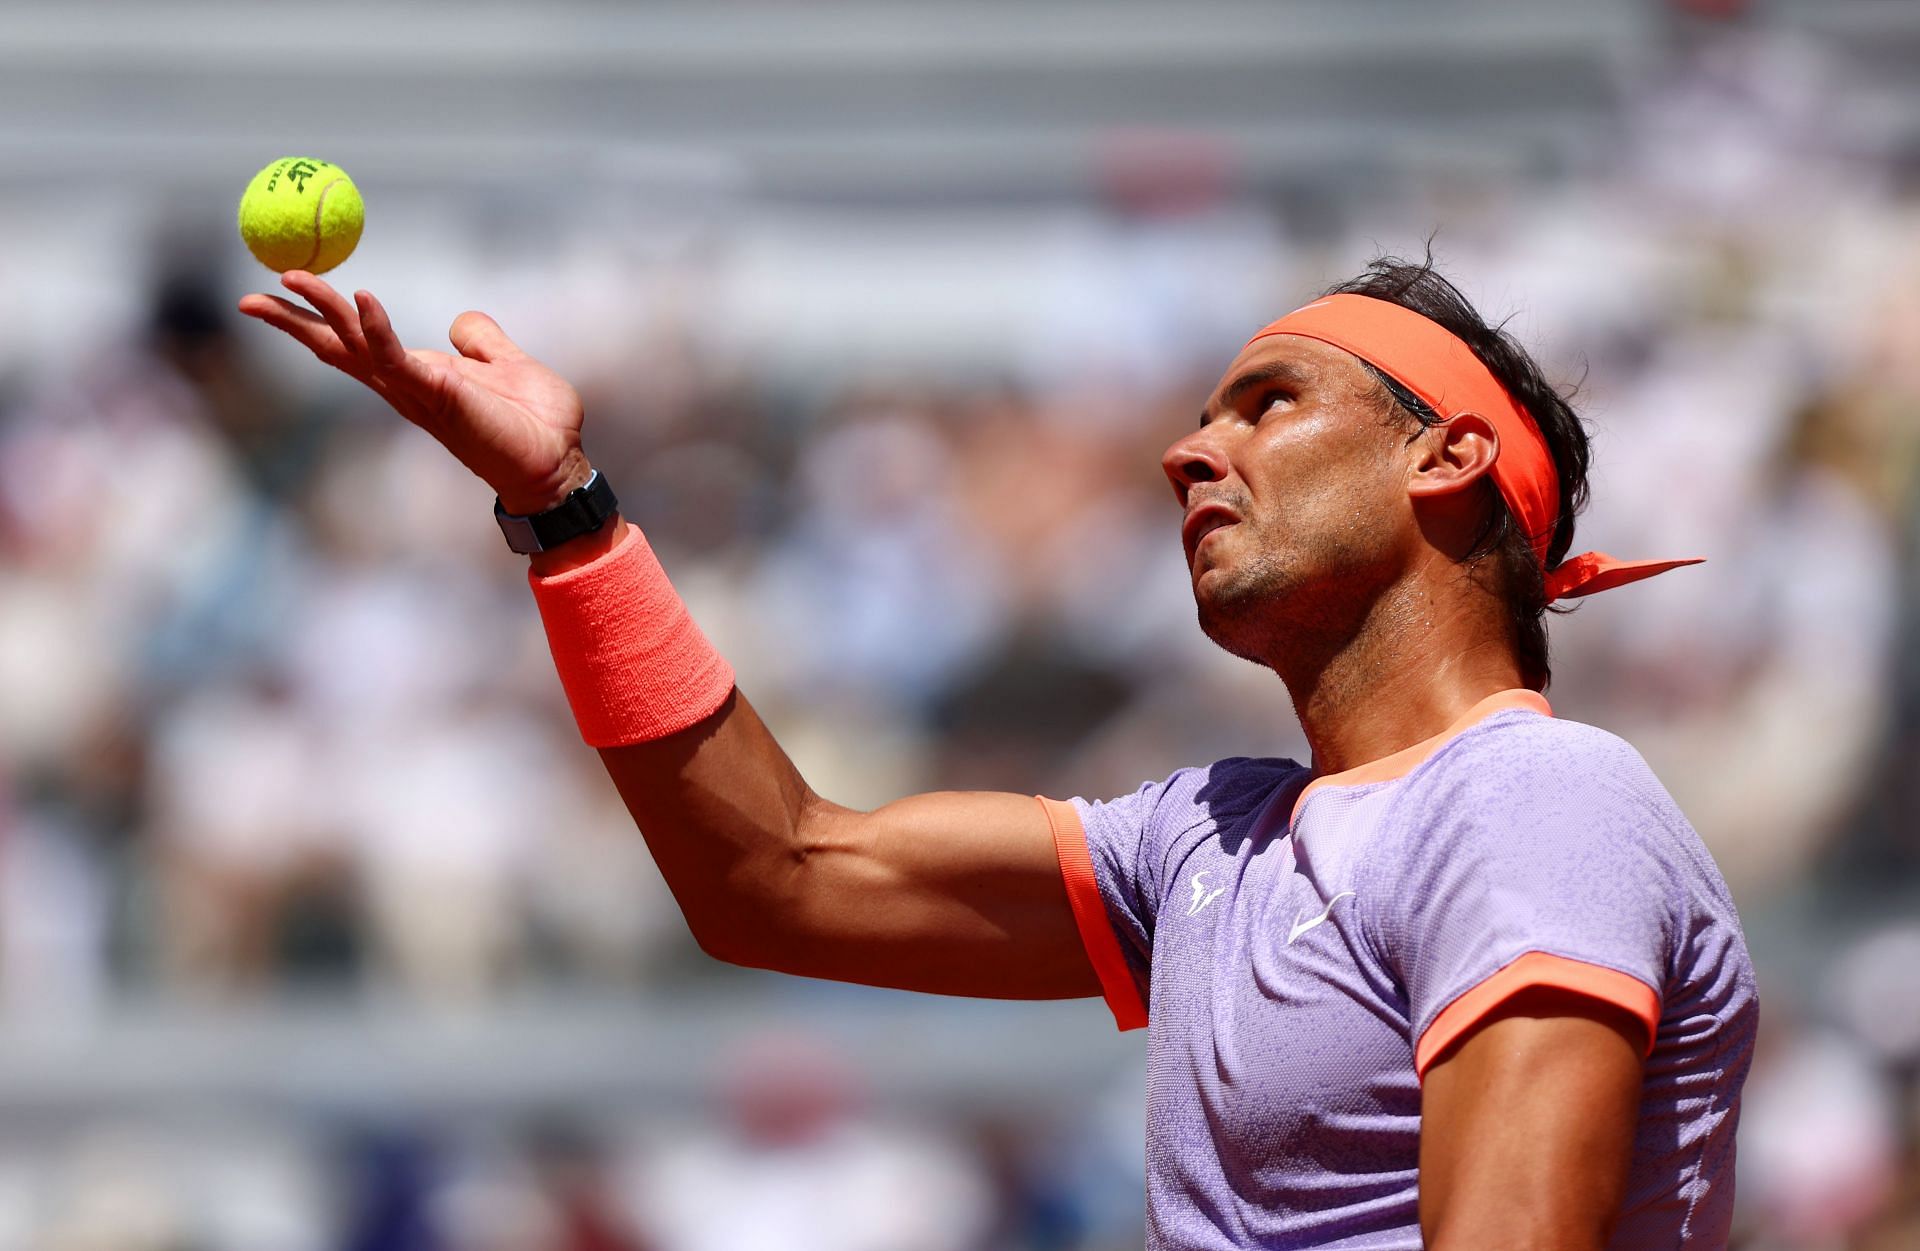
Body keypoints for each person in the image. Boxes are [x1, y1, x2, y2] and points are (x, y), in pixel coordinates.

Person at [241, 256, 1757, 1249]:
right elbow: (778, 875)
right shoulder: (1212, 839)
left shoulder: (1535, 801)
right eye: (1200, 416)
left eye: (1268, 404)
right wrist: (570, 517)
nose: (1189, 451)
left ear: (1449, 457)